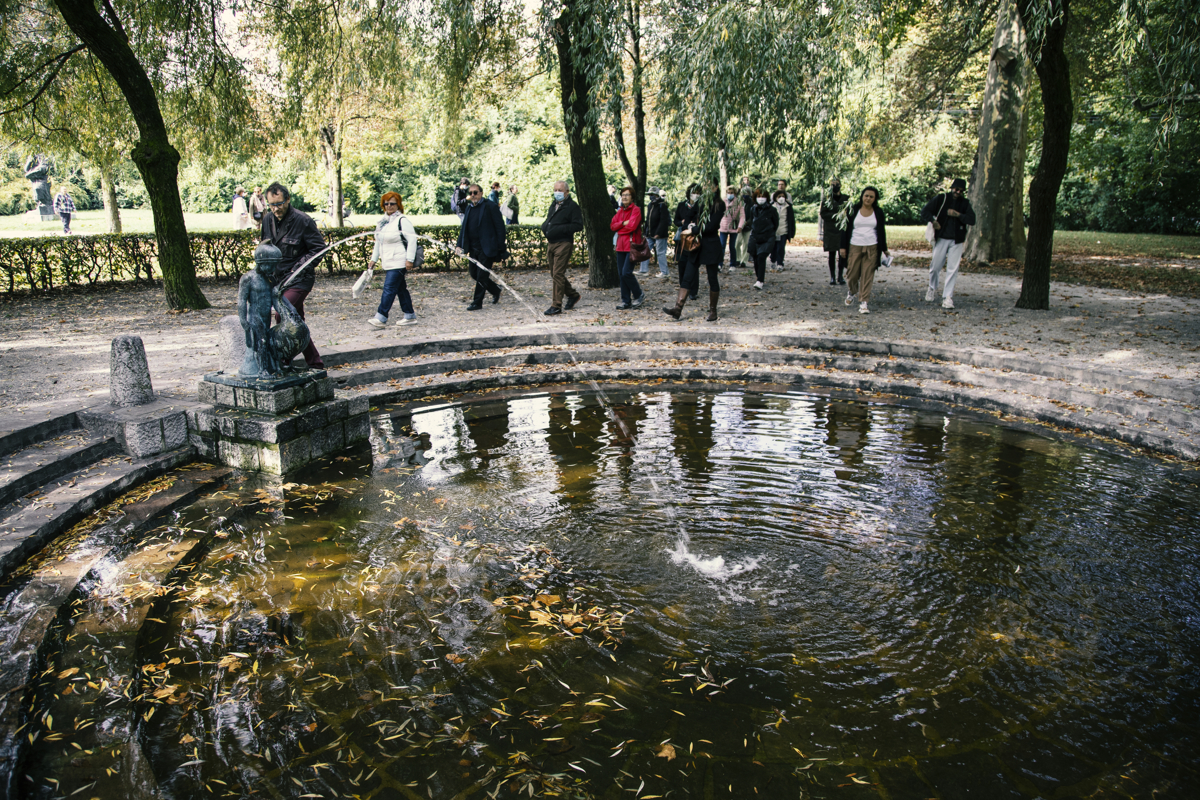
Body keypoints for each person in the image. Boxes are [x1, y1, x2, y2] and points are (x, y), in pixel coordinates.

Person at [260, 182, 326, 368]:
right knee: (297, 321)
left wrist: (297, 268)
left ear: (288, 199)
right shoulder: (267, 219)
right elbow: (264, 247)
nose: (276, 209)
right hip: (277, 280)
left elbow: (319, 249)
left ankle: (283, 359)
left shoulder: (303, 220)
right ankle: (315, 363)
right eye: (272, 204)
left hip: (299, 279)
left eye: (279, 204)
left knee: (283, 316)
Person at [665, 180, 724, 321]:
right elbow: (689, 215)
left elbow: (712, 225)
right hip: (696, 245)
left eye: (709, 185)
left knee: (712, 278)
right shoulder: (700, 201)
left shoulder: (719, 204)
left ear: (716, 187)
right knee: (687, 276)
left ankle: (713, 311)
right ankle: (677, 308)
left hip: (710, 244)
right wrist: (689, 224)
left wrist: (696, 229)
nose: (706, 188)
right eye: (705, 185)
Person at [921, 177, 977, 309]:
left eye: (961, 190)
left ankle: (948, 297)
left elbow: (972, 219)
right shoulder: (941, 199)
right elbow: (925, 211)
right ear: (952, 188)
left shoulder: (964, 203)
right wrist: (934, 221)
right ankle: (932, 287)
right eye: (956, 189)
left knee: (953, 268)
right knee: (935, 266)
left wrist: (958, 215)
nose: (958, 192)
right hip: (941, 238)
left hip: (957, 239)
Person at [366, 192, 419, 328]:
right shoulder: (383, 222)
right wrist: (373, 259)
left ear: (398, 205)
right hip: (388, 261)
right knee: (400, 289)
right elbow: (379, 241)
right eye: (386, 203)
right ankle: (409, 315)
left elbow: (412, 239)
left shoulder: (402, 221)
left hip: (399, 260)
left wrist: (409, 259)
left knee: (389, 288)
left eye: (392, 203)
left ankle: (381, 317)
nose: (389, 206)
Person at [839, 186, 890, 315]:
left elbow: (881, 231)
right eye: (866, 195)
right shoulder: (853, 210)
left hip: (872, 246)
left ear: (875, 199)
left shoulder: (878, 212)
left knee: (867, 275)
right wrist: (842, 246)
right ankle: (852, 291)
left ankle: (864, 302)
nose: (868, 198)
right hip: (855, 245)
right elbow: (844, 229)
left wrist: (884, 249)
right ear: (862, 196)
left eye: (871, 196)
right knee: (852, 274)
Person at [455, 183, 507, 310]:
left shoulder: (490, 206)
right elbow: (464, 229)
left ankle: (477, 302)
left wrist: (500, 247)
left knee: (482, 276)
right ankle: (495, 290)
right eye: (470, 193)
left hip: (487, 248)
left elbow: (500, 228)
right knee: (474, 274)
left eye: (475, 192)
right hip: (473, 248)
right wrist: (459, 245)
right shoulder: (469, 208)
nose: (473, 195)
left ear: (481, 193)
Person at [541, 180, 584, 316]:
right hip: (552, 242)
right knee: (554, 274)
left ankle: (556, 305)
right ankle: (573, 295)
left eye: (560, 190)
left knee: (558, 274)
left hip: (564, 242)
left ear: (566, 192)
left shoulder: (572, 206)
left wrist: (560, 229)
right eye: (555, 190)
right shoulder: (554, 205)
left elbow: (578, 225)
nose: (557, 193)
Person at [610, 186, 646, 310]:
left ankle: (638, 294)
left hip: (632, 245)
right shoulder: (620, 211)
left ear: (632, 197)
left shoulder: (636, 210)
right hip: (620, 246)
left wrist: (620, 228)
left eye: (627, 195)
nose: (624, 197)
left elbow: (632, 226)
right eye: (623, 195)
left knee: (626, 272)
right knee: (621, 274)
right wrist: (622, 223)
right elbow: (612, 226)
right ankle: (626, 300)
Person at [746, 188, 778, 290]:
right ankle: (758, 277)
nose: (761, 199)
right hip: (755, 236)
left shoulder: (772, 210)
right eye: (759, 196)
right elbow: (751, 220)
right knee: (755, 258)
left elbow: (775, 223)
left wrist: (769, 232)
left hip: (767, 237)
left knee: (761, 256)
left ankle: (760, 280)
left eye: (763, 196)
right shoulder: (753, 209)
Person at [820, 179, 849, 285]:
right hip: (830, 230)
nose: (834, 186)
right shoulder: (827, 199)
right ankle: (832, 276)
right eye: (832, 185)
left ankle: (840, 276)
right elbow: (823, 214)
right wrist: (836, 216)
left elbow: (849, 212)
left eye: (836, 184)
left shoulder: (846, 198)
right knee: (831, 253)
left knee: (842, 253)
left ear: (840, 185)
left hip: (842, 230)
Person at [673, 186, 700, 292]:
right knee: (682, 262)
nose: (695, 195)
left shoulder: (701, 206)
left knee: (693, 263)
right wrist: (683, 223)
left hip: (694, 238)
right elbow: (676, 221)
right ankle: (683, 287)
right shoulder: (681, 205)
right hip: (683, 237)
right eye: (694, 192)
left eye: (698, 193)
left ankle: (693, 290)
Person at [642, 187, 670, 278]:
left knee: (660, 252)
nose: (651, 197)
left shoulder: (662, 205)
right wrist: (645, 231)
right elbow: (648, 219)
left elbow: (663, 221)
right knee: (645, 250)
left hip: (660, 234)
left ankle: (665, 272)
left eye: (653, 195)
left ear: (657, 195)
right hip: (650, 233)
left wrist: (659, 232)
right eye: (650, 195)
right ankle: (643, 270)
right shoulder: (650, 205)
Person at [719, 185, 744, 272]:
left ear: (735, 193)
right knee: (721, 245)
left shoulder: (739, 202)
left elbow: (742, 215)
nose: (730, 194)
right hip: (723, 226)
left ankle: (732, 264)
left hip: (733, 227)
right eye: (728, 193)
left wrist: (740, 226)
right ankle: (719, 264)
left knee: (732, 246)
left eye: (732, 193)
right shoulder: (723, 201)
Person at [770, 190, 795, 272]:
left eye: (783, 196)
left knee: (781, 248)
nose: (781, 198)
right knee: (773, 248)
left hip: (783, 230)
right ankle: (773, 261)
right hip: (773, 231)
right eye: (779, 196)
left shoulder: (788, 207)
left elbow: (791, 220)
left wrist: (791, 231)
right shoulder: (771, 206)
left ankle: (780, 263)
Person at [733, 185, 753, 269]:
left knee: (746, 244)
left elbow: (753, 215)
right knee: (737, 243)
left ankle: (744, 261)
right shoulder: (738, 201)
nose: (744, 194)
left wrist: (747, 222)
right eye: (743, 192)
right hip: (739, 226)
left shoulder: (752, 202)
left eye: (746, 192)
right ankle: (737, 259)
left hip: (748, 226)